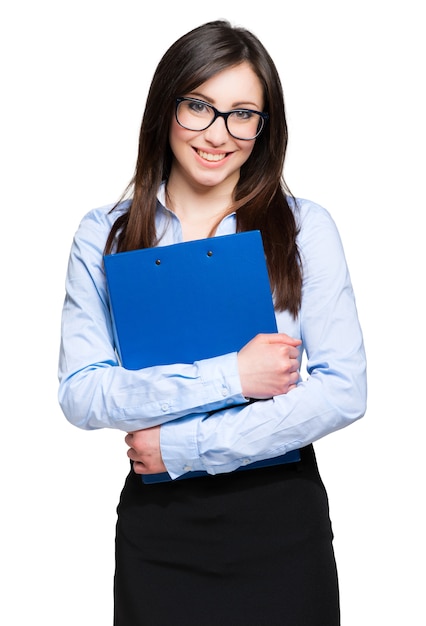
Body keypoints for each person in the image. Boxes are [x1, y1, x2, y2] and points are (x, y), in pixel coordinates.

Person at [58, 19, 367, 626]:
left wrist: (183, 446)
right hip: (161, 532)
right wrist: (234, 376)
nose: (218, 134)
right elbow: (82, 392)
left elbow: (343, 390)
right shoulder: (105, 234)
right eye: (199, 106)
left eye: (242, 113)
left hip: (280, 521)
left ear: (264, 126)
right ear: (165, 107)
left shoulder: (305, 228)